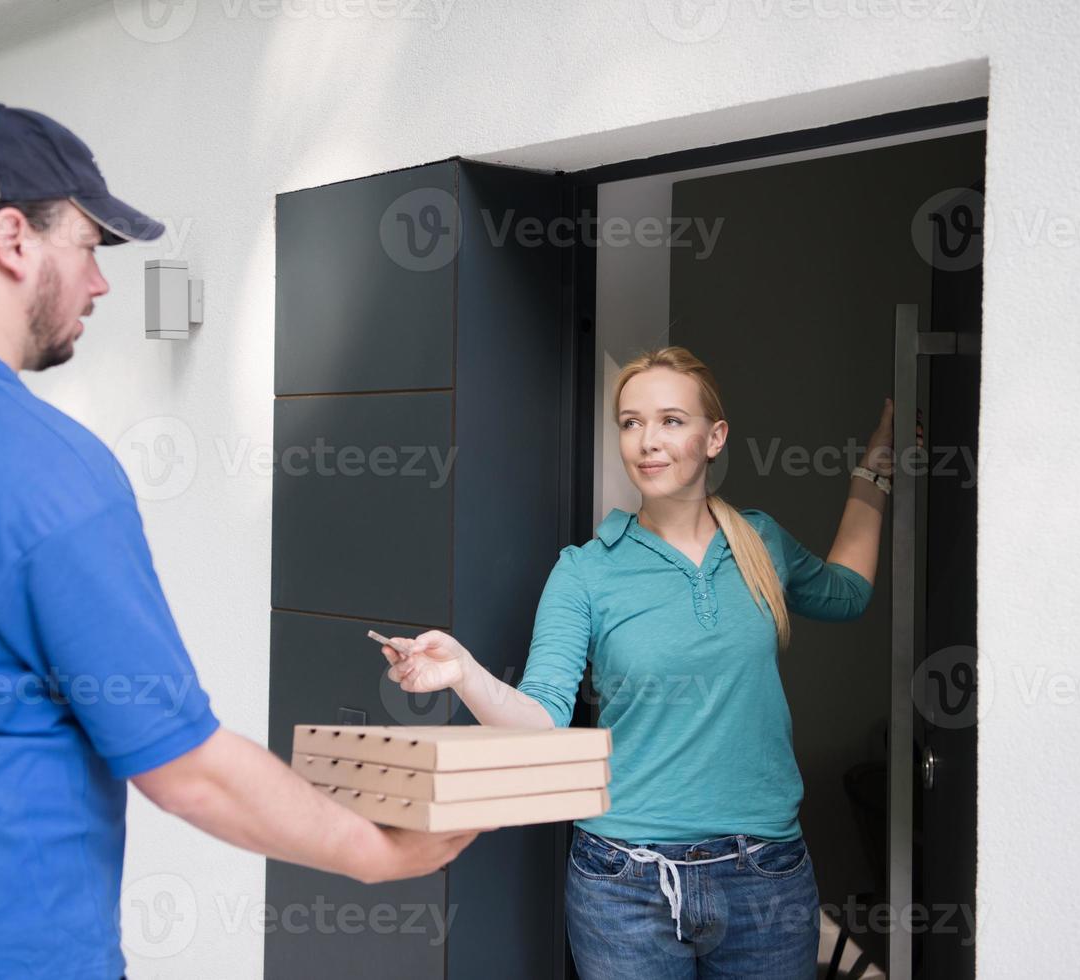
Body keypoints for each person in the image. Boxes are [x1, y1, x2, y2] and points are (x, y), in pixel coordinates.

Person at [0, 103, 477, 979]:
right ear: (13, 239)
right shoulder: (37, 463)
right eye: (91, 247)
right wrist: (381, 852)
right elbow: (186, 770)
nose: (99, 285)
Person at [381, 345, 920, 979]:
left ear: (714, 437)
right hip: (624, 883)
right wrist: (463, 674)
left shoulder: (760, 541)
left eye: (671, 420)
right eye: (631, 422)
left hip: (765, 877)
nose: (646, 441)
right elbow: (541, 723)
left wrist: (876, 471)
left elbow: (847, 593)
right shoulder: (585, 569)